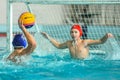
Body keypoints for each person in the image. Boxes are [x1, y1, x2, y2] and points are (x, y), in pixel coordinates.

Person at [41, 24, 113, 60]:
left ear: (80, 33)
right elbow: (58, 45)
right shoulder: (69, 43)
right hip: (73, 64)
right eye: (72, 32)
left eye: (76, 32)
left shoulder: (85, 42)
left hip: (85, 64)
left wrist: (106, 36)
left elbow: (100, 41)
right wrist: (48, 37)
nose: (73, 34)